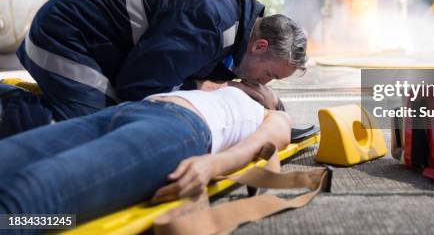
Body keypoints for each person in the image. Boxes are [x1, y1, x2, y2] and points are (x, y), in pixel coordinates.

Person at [0, 0, 307, 137]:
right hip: (65, 34)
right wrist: (220, 88)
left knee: (110, 120)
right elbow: (140, 87)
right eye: (269, 75)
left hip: (96, 45)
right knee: (86, 130)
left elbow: (194, 67)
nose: (264, 82)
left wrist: (274, 107)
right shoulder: (209, 23)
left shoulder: (236, 27)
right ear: (260, 45)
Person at [0, 85, 291, 223]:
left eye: (270, 89)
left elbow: (266, 142)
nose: (263, 85)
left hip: (179, 130)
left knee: (32, 195)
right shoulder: (216, 88)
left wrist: (212, 165)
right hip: (122, 112)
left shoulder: (269, 113)